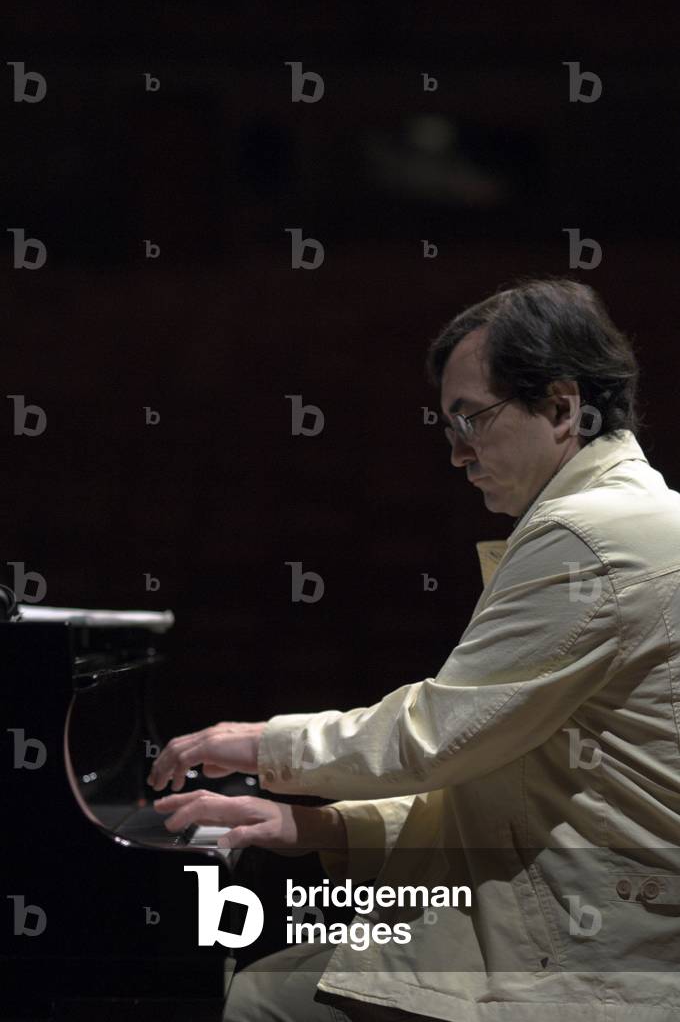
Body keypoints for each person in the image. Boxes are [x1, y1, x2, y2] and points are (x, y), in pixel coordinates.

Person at [148, 278, 680, 1021]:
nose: (459, 454)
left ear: (563, 407)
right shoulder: (621, 515)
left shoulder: (587, 537)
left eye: (473, 420)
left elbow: (435, 735)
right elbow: (503, 780)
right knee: (272, 974)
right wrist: (323, 824)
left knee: (257, 1000)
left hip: (592, 951)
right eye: (447, 427)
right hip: (585, 910)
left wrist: (260, 743)